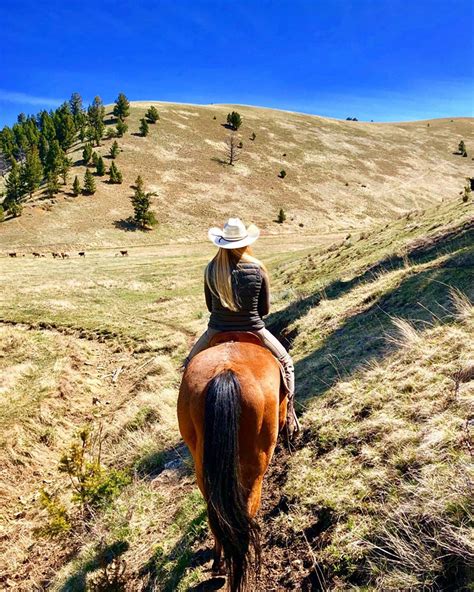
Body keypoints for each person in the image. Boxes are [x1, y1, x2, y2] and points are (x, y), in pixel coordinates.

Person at [183, 217, 300, 433]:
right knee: (286, 363)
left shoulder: (211, 269)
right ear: (245, 243)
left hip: (216, 329)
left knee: (188, 365)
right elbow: (264, 310)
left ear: (222, 244)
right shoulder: (258, 269)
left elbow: (210, 307)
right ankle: (290, 412)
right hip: (254, 329)